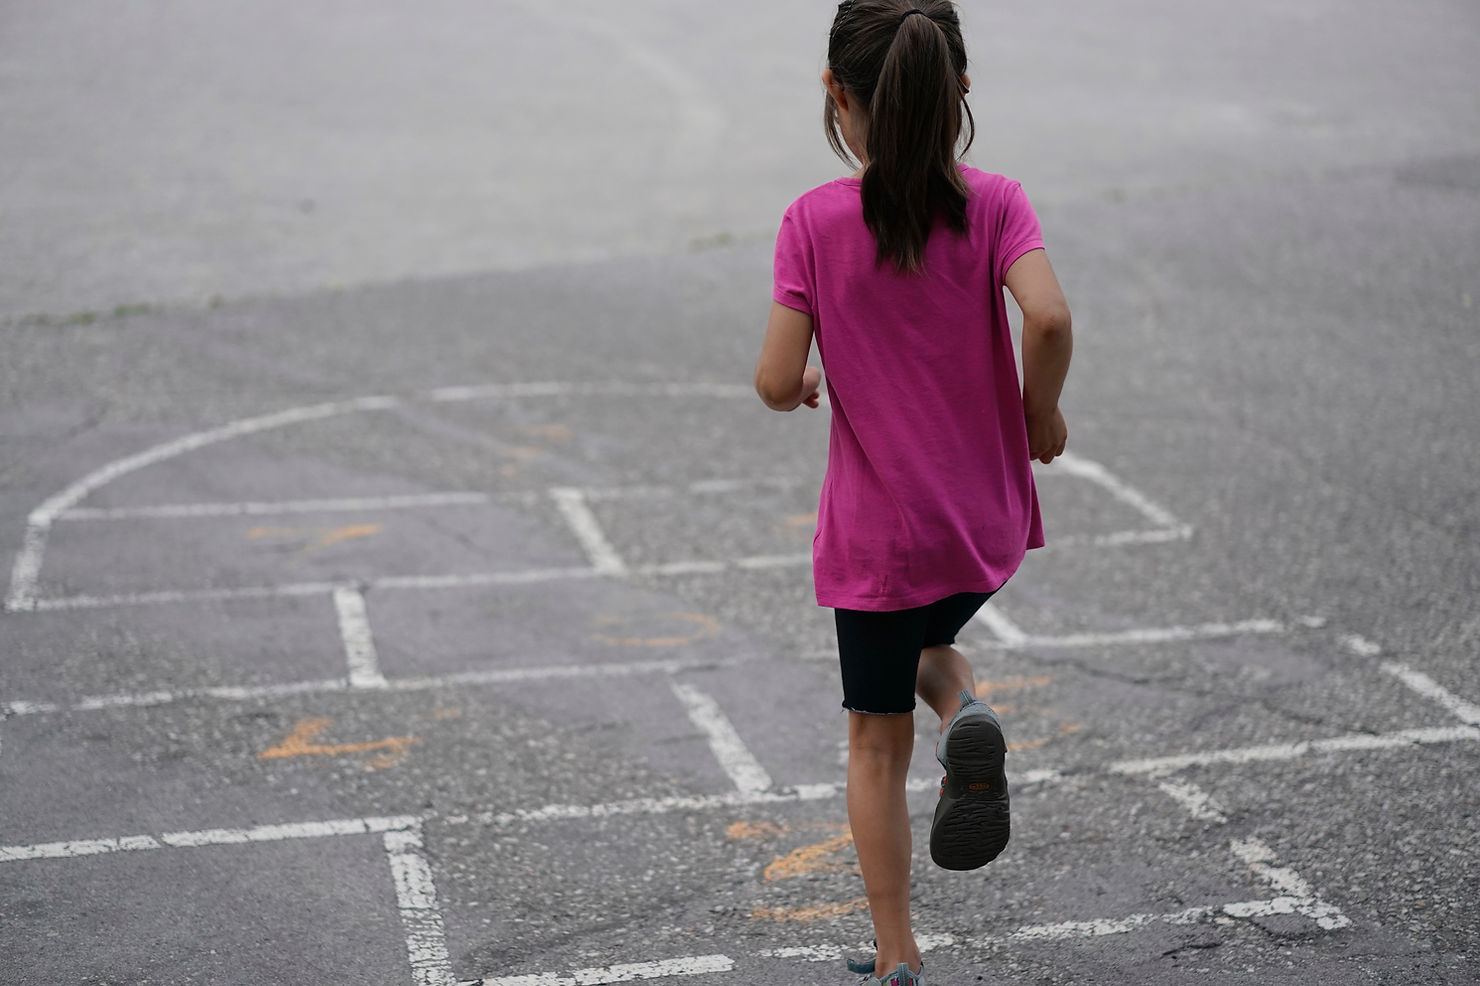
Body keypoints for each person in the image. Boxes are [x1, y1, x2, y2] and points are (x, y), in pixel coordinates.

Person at [753, 1, 1073, 983]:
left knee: (869, 736)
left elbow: (773, 378)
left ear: (836, 96)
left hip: (878, 543)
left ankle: (896, 952)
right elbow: (1050, 317)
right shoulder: (998, 201)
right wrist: (1039, 413)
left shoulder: (812, 222)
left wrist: (802, 383)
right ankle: (957, 701)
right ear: (958, 92)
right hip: (979, 526)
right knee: (928, 644)